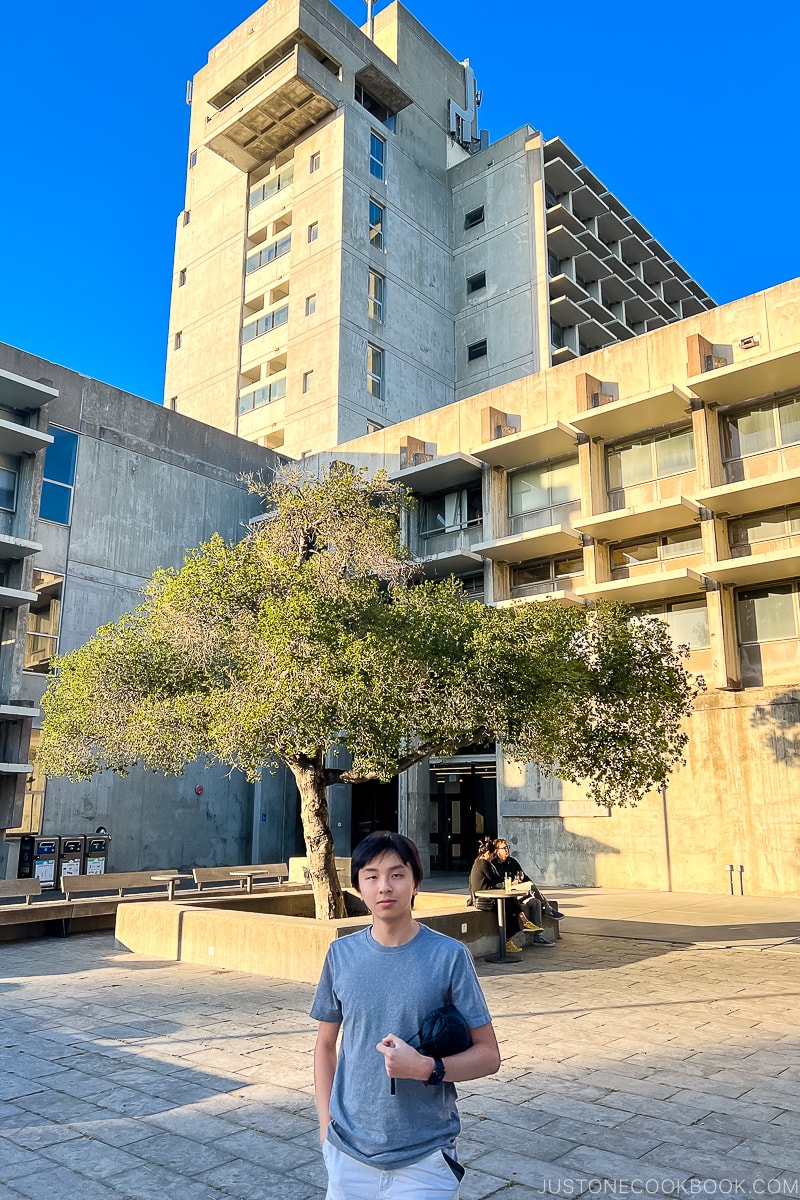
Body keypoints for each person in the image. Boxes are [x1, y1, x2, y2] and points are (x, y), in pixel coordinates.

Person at [312, 831, 501, 1198]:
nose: (385, 886)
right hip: (347, 1153)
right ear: (359, 887)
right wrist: (325, 1127)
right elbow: (324, 1045)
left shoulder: (449, 956)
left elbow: (489, 1055)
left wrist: (427, 1068)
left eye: (397, 874)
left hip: (425, 1158)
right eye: (371, 876)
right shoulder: (340, 955)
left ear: (415, 882)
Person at [468, 836, 542, 955]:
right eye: (492, 854)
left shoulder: (478, 862)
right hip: (485, 899)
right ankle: (520, 927)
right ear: (488, 853)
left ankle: (520, 928)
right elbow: (494, 879)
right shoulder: (483, 863)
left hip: (487, 896)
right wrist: (509, 882)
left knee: (510, 902)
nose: (492, 857)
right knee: (509, 907)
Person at [493, 838, 563, 948]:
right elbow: (496, 884)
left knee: (535, 902)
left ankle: (538, 937)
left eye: (508, 847)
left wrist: (540, 896)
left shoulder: (513, 862)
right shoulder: (494, 865)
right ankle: (547, 908)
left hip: (520, 892)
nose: (507, 850)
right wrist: (512, 884)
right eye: (504, 848)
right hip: (507, 895)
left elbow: (525, 878)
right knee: (530, 886)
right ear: (497, 851)